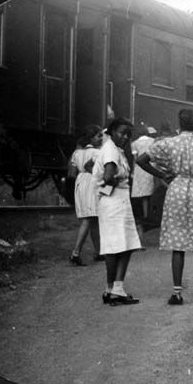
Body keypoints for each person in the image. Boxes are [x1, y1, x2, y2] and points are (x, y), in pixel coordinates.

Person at [137, 109, 193, 305]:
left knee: (178, 244)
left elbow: (141, 160)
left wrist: (161, 175)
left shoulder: (167, 143)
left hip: (176, 190)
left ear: (180, 124)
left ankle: (177, 293)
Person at [93, 117, 142, 306]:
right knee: (121, 246)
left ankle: (111, 288)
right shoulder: (111, 151)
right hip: (115, 200)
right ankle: (116, 289)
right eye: (121, 132)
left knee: (118, 246)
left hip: (114, 201)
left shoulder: (112, 149)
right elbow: (108, 176)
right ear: (112, 131)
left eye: (128, 134)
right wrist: (116, 180)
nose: (125, 137)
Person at [68, 125, 103, 266]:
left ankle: (99, 252)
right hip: (92, 183)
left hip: (80, 183)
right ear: (91, 138)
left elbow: (71, 173)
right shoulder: (98, 152)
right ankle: (75, 253)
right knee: (89, 218)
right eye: (98, 136)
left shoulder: (77, 153)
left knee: (93, 218)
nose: (101, 139)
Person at [130, 123, 156, 243]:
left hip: (140, 169)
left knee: (140, 193)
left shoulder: (134, 143)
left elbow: (135, 159)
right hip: (150, 167)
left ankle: (142, 216)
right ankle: (147, 215)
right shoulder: (153, 141)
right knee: (149, 193)